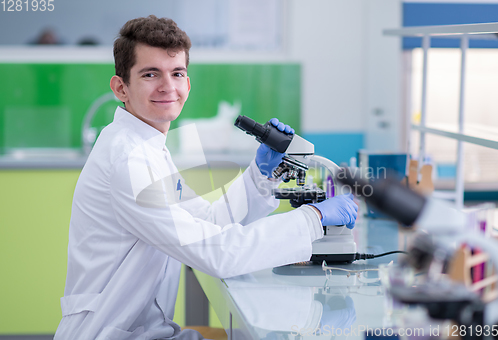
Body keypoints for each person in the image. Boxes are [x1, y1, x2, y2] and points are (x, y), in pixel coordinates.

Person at [54, 15, 357, 340]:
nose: (168, 86)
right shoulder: (129, 160)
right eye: (150, 73)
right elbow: (217, 252)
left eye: (177, 73)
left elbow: (207, 222)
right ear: (121, 87)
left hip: (140, 330)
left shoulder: (148, 145)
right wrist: (313, 218)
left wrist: (261, 175)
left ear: (188, 82)